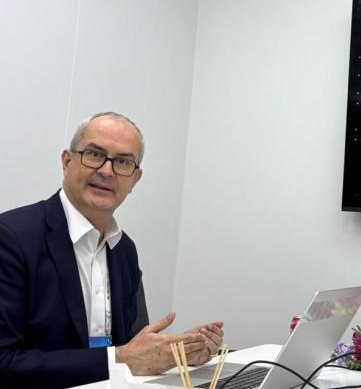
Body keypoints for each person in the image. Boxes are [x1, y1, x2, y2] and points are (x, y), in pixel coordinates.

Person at [0, 112, 224, 388]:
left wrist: (178, 353)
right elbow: (3, 362)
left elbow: (132, 347)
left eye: (123, 162)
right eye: (95, 154)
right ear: (67, 162)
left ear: (135, 179)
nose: (107, 171)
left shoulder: (124, 250)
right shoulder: (10, 237)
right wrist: (118, 359)